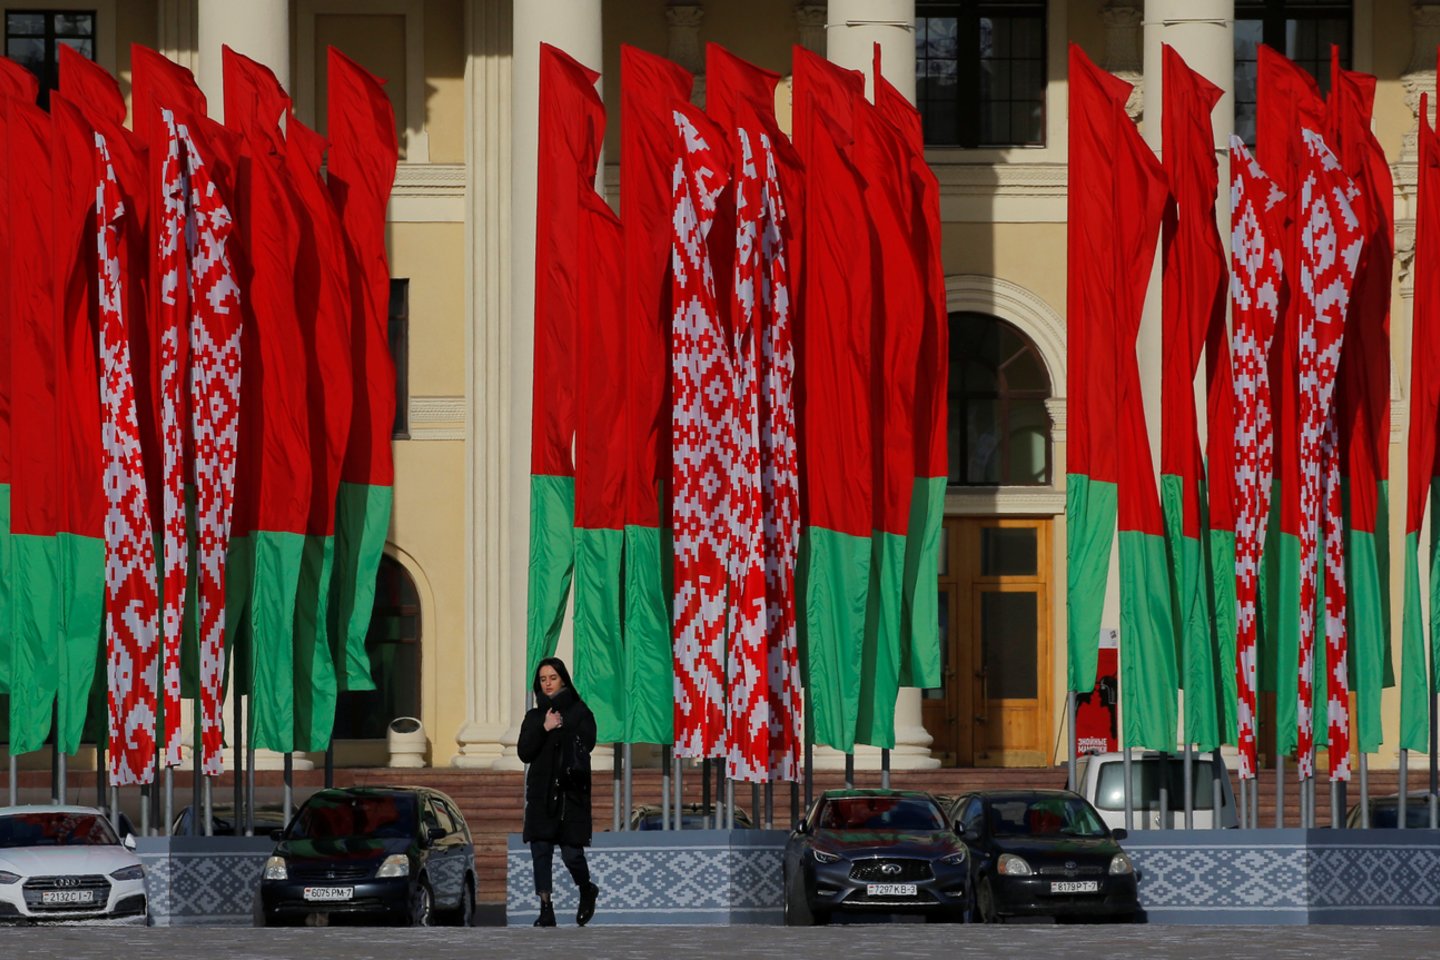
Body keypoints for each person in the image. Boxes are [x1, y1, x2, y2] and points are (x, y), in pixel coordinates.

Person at [518, 657, 599, 927]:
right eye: (543, 679)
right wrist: (545, 727)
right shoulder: (534, 716)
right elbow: (524, 752)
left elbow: (588, 743)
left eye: (552, 678)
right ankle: (545, 908)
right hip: (541, 795)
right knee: (540, 851)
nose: (548, 684)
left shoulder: (579, 711)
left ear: (563, 678)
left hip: (570, 795)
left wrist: (565, 727)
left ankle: (586, 888)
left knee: (571, 854)